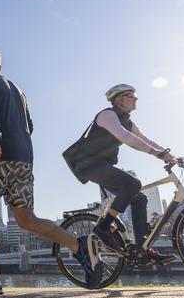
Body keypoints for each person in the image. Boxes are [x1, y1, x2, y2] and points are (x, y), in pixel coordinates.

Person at [0, 46, 103, 295]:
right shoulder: (19, 92)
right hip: (24, 159)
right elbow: (29, 126)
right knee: (26, 219)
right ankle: (78, 246)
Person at [72, 84, 176, 264]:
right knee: (133, 184)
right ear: (119, 99)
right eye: (131, 95)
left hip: (103, 166)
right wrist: (156, 153)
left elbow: (145, 139)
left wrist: (169, 155)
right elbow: (125, 137)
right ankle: (103, 228)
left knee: (139, 198)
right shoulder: (107, 115)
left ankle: (143, 249)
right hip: (89, 165)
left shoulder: (127, 120)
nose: (136, 98)